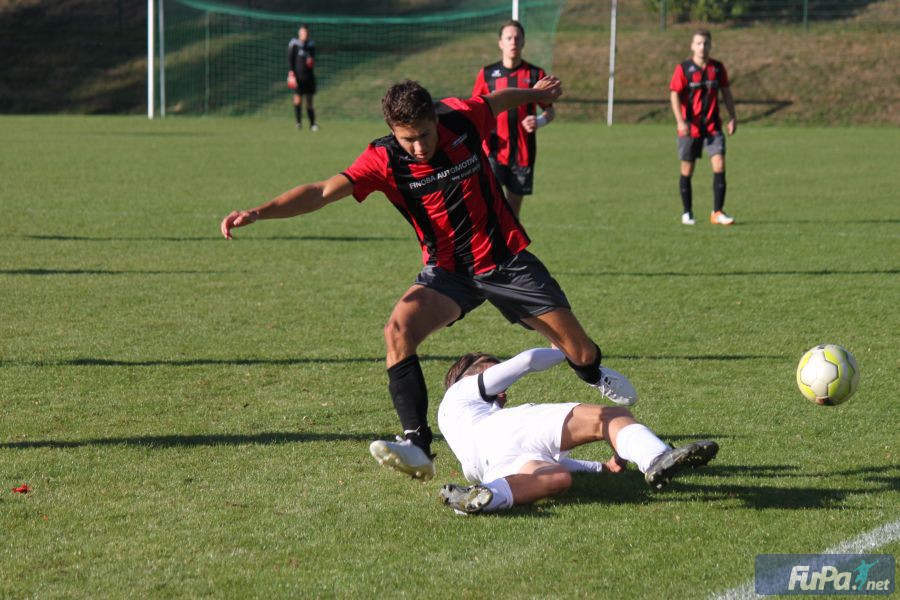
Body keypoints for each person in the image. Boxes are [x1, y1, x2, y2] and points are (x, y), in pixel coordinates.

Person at [220, 78, 637, 484]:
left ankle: (590, 370)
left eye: (424, 134)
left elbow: (497, 100)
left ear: (435, 118)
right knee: (398, 329)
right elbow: (321, 191)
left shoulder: (462, 117)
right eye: (407, 139)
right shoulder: (383, 159)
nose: (418, 147)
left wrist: (535, 94)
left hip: (504, 260)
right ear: (392, 133)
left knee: (579, 350)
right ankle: (417, 444)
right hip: (448, 272)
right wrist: (260, 212)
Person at [437, 347, 719, 514]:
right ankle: (656, 457)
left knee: (556, 477)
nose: (503, 387)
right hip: (503, 431)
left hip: (488, 470)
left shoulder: (461, 440)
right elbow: (526, 361)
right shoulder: (462, 391)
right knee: (609, 416)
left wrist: (601, 468)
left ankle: (485, 497)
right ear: (465, 376)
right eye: (491, 372)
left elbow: (548, 458)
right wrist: (569, 350)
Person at [472, 20, 554, 218]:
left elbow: (550, 111)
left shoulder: (536, 74)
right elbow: (474, 109)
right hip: (492, 151)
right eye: (509, 38)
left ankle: (509, 249)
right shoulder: (487, 74)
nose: (513, 42)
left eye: (517, 38)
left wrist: (540, 121)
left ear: (524, 42)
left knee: (512, 211)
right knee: (490, 206)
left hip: (522, 152)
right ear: (500, 43)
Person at [669, 29, 737, 226]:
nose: (702, 47)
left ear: (711, 45)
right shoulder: (683, 69)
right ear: (692, 46)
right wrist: (680, 121)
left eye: (706, 43)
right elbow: (674, 94)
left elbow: (726, 93)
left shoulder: (717, 68)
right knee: (687, 169)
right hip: (691, 129)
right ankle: (687, 212)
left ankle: (717, 212)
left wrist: (733, 117)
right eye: (698, 43)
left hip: (713, 127)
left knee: (720, 165)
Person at [288, 24, 318, 131]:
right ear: (299, 33)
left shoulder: (311, 45)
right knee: (297, 100)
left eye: (306, 33)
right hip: (298, 77)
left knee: (309, 102)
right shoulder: (294, 44)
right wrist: (291, 74)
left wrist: (311, 61)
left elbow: (312, 60)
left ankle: (312, 124)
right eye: (302, 32)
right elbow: (291, 60)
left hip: (309, 78)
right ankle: (298, 122)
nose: (304, 34)